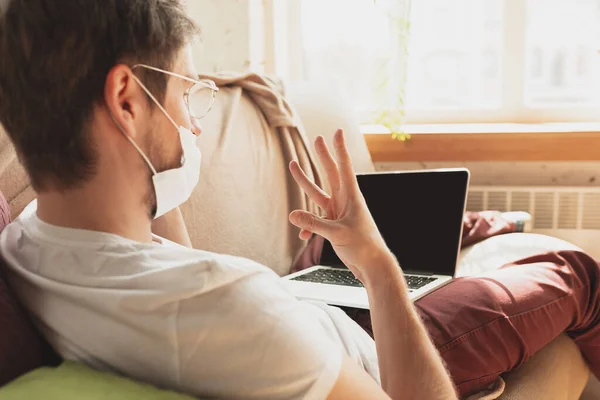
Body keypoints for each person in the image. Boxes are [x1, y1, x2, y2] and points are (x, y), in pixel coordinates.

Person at [0, 1, 598, 399]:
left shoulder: (28, 240)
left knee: (337, 232)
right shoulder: (235, 309)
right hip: (381, 349)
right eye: (186, 95)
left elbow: (173, 268)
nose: (195, 126)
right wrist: (374, 262)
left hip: (301, 305)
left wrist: (156, 163)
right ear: (127, 100)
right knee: (577, 273)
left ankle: (482, 227)